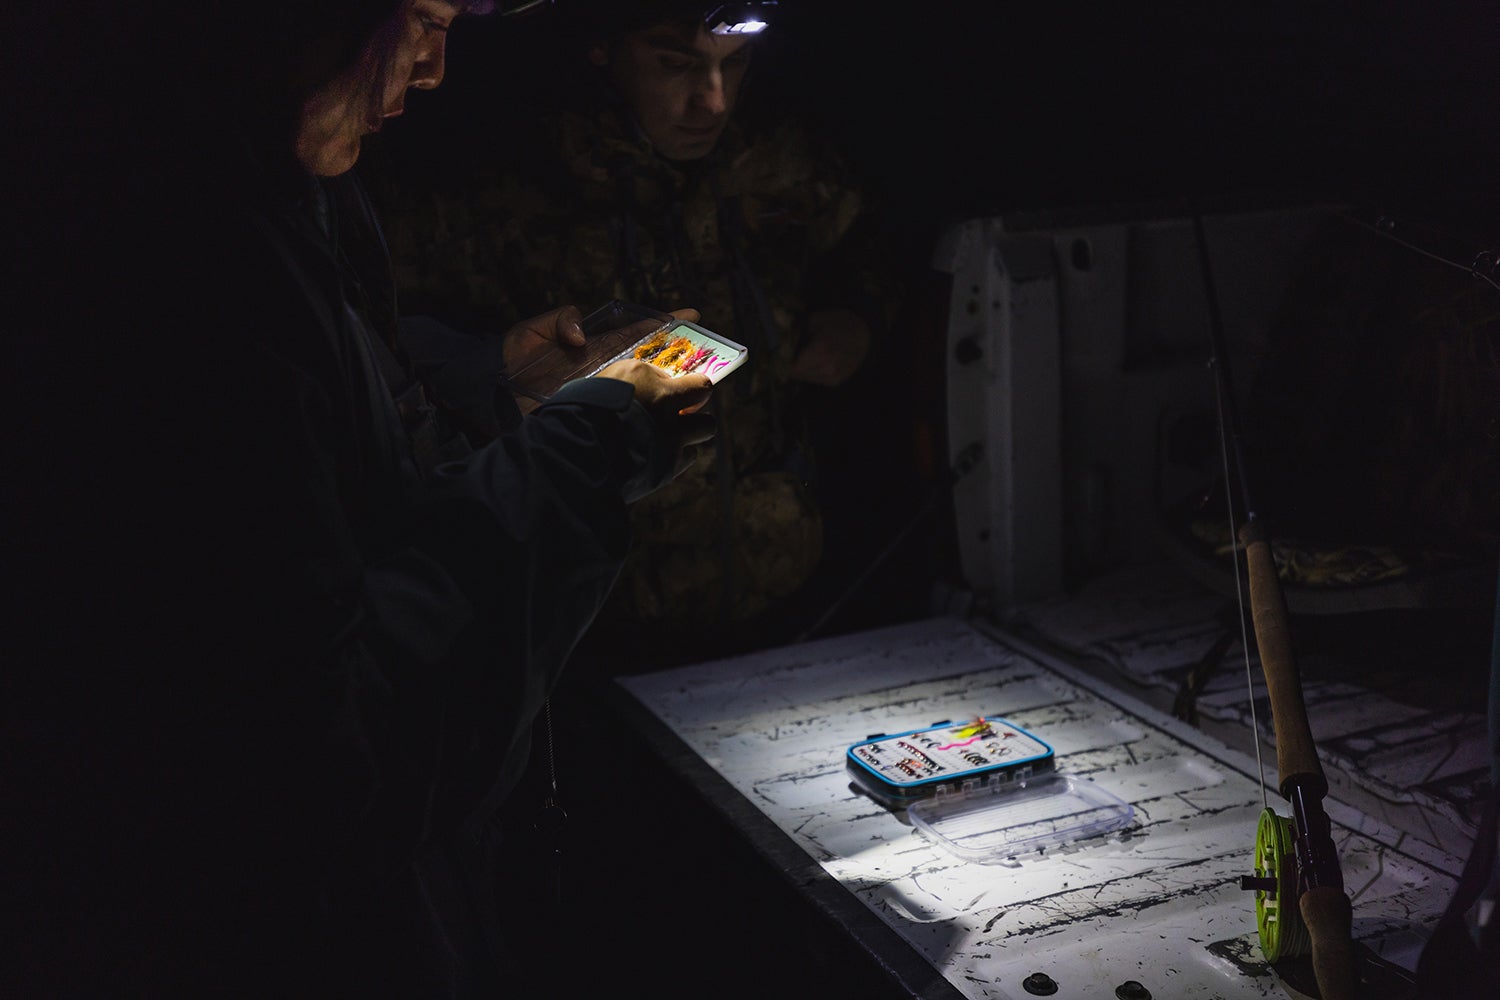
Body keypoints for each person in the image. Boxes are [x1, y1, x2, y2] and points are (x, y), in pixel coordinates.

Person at [3, 0, 713, 995]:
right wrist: (588, 446)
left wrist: (485, 382)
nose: (433, 69)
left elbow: (338, 423)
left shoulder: (266, 194)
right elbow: (333, 754)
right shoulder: (181, 270)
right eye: (421, 18)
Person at [372, 0, 903, 665]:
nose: (713, 101)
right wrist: (495, 371)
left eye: (736, 63)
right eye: (675, 64)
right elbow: (389, 350)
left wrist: (859, 318)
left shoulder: (778, 155)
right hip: (587, 627)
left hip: (778, 589)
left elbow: (877, 242)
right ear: (604, 48)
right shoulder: (494, 181)